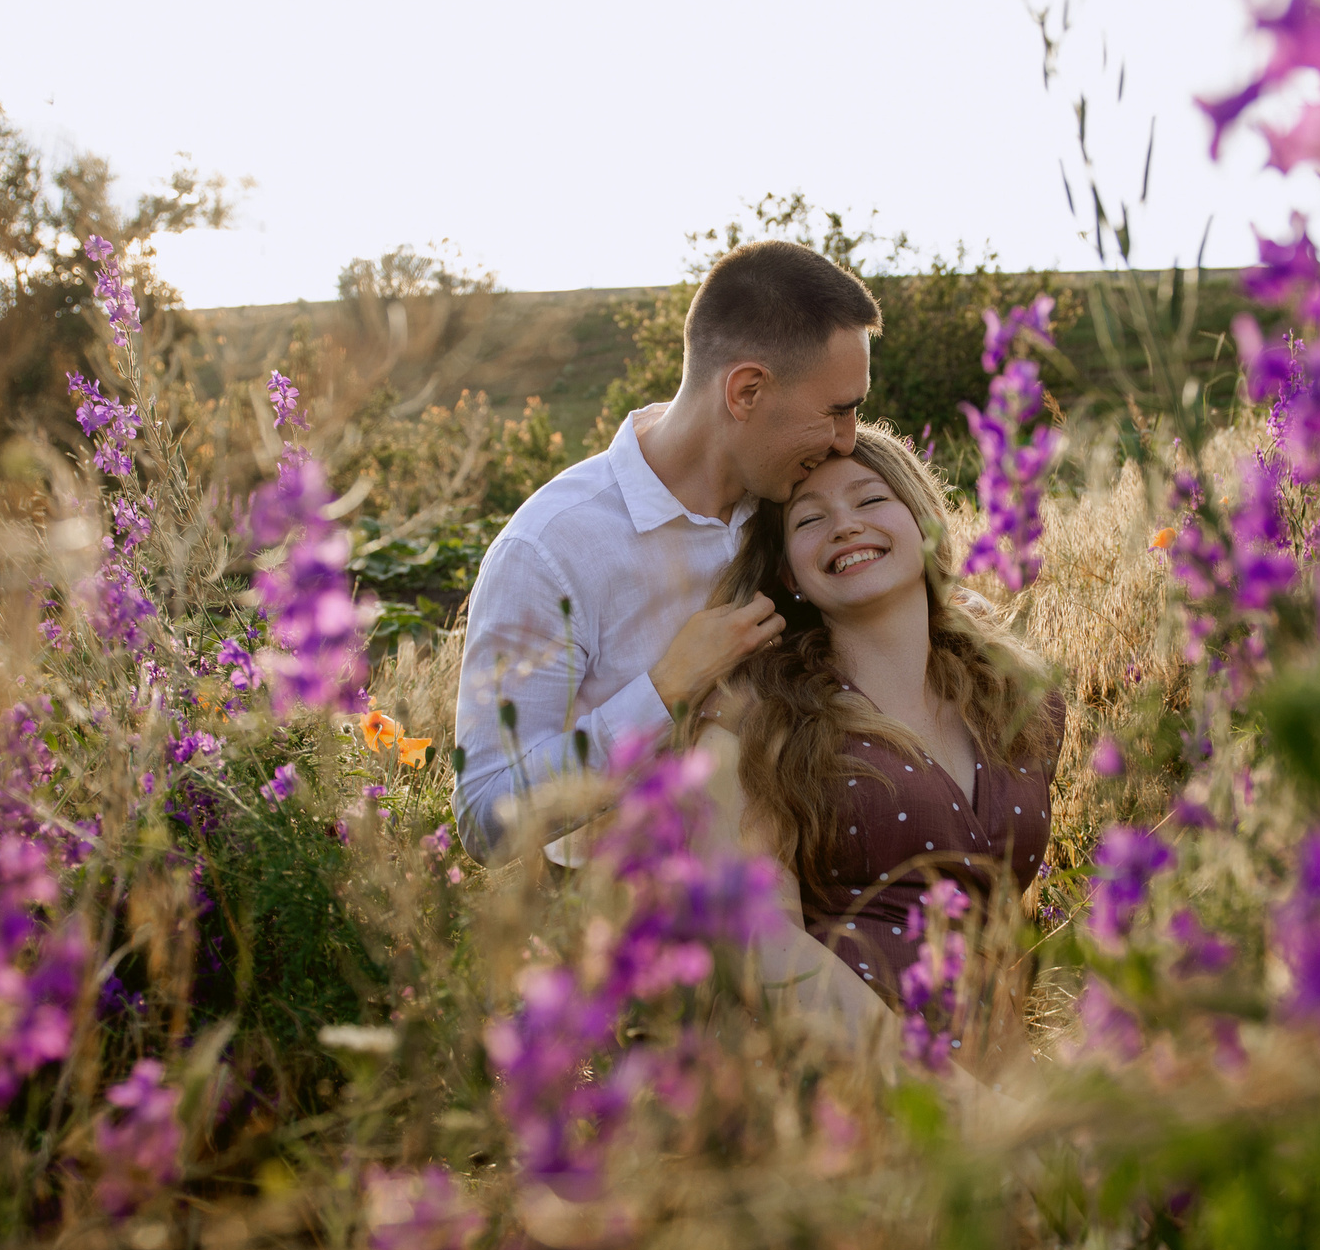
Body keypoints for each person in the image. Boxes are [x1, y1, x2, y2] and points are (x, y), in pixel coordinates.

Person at [452, 240, 879, 862]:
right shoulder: (550, 549)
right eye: (839, 412)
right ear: (747, 392)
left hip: (820, 888)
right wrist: (664, 691)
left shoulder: (808, 505)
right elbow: (485, 818)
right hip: (633, 926)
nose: (849, 442)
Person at [703, 422, 1064, 1081]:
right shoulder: (758, 716)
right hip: (848, 1092)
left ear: (924, 521)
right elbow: (763, 943)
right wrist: (945, 1100)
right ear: (789, 572)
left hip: (1002, 1088)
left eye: (870, 501)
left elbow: (1000, 917)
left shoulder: (1020, 698)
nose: (845, 525)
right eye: (810, 518)